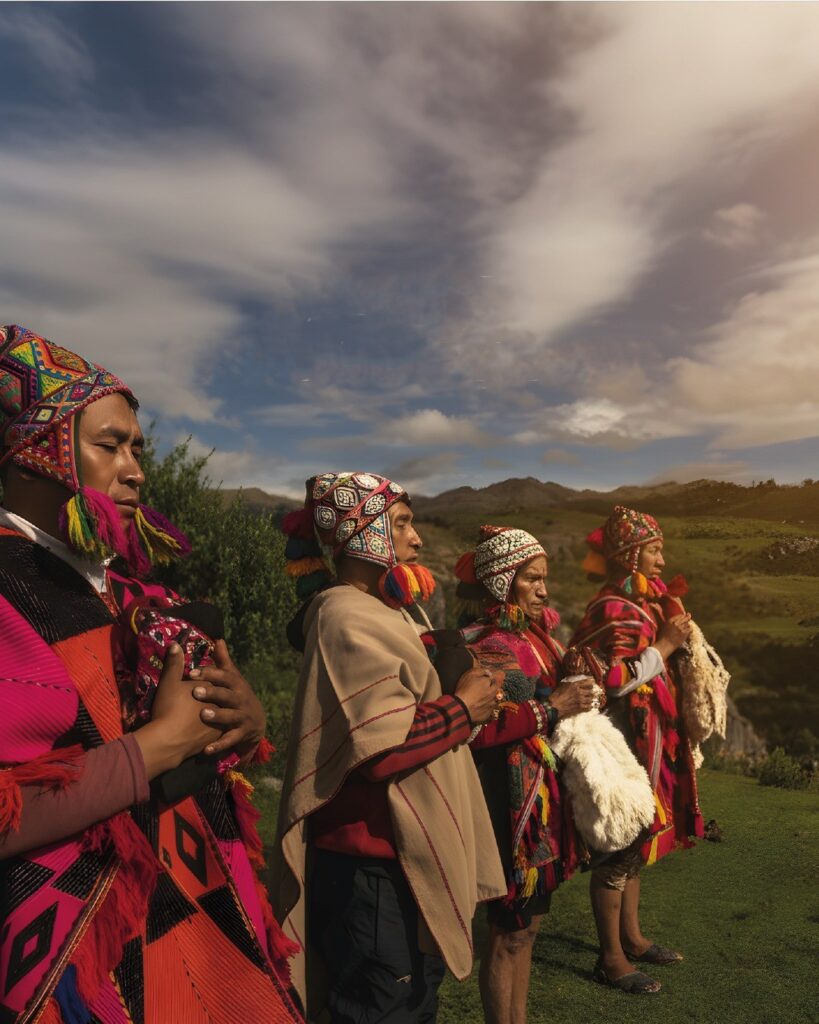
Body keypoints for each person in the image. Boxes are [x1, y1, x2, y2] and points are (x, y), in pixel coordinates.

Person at [0, 325, 302, 1023]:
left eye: (137, 447)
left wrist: (243, 720)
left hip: (192, 917)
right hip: (79, 956)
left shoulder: (130, 593)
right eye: (110, 445)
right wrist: (161, 745)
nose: (136, 469)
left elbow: (194, 735)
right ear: (34, 454)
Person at [272, 472, 506, 1022]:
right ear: (366, 534)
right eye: (401, 523)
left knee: (411, 1000)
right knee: (383, 1008)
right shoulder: (344, 614)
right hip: (370, 866)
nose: (416, 538)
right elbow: (376, 749)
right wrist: (461, 709)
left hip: (391, 864)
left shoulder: (386, 613)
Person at [446, 525, 595, 1024]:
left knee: (526, 928)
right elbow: (477, 728)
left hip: (538, 802)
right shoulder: (488, 645)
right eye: (532, 578)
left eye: (543, 579)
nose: (544, 590)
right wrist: (552, 706)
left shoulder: (536, 640)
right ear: (503, 580)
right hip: (506, 806)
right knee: (509, 931)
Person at [571, 505, 704, 995]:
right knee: (618, 839)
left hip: (643, 739)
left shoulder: (643, 606)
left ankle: (632, 937)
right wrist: (666, 645)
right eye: (652, 550)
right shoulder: (611, 608)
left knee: (636, 839)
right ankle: (610, 958)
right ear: (629, 556)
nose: (661, 561)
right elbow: (612, 680)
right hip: (617, 739)